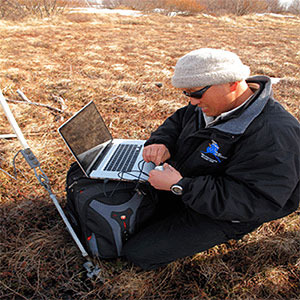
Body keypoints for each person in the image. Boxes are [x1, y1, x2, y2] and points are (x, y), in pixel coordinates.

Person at [122, 48, 300, 270]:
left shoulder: (274, 135)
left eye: (196, 93)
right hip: (191, 182)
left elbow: (252, 200)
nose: (193, 102)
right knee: (125, 213)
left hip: (227, 213)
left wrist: (181, 187)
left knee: (138, 252)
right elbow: (179, 120)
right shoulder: (213, 103)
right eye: (187, 94)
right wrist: (161, 141)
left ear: (232, 83)